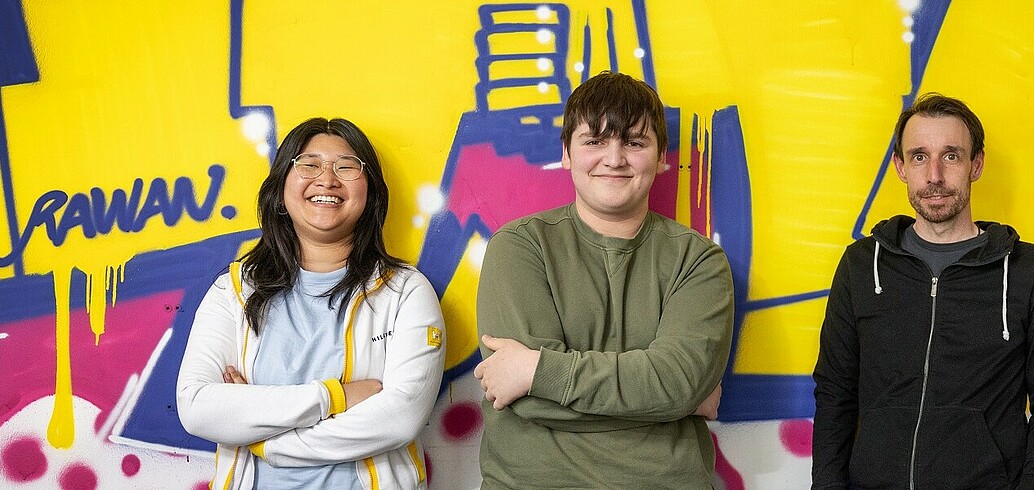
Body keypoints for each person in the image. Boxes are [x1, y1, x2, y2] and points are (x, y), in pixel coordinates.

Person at [472, 72, 734, 488]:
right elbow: (526, 401)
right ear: (567, 154)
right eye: (594, 141)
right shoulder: (519, 247)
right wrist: (672, 400)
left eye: (634, 141)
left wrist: (537, 371)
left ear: (662, 156)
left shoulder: (699, 260)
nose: (614, 158)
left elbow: (678, 384)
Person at [812, 93, 1034, 489]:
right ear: (900, 167)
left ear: (977, 164)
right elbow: (835, 392)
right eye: (919, 156)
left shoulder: (1029, 270)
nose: (935, 176)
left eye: (951, 156)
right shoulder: (861, 265)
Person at [176, 117, 445, 489]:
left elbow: (399, 419)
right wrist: (336, 396)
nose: (327, 179)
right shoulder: (234, 292)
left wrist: (263, 438)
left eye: (347, 167)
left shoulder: (405, 293)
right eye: (309, 165)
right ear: (282, 188)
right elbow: (197, 408)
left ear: (370, 194)